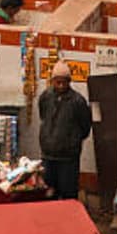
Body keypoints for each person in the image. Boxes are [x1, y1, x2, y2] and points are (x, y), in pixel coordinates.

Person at [38, 60, 92, 200]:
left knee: (68, 195)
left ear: (69, 81)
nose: (61, 85)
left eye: (64, 82)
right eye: (58, 82)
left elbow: (85, 127)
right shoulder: (45, 97)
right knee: (48, 194)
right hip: (48, 156)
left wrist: (72, 141)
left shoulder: (78, 101)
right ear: (52, 81)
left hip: (68, 158)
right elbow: (43, 116)